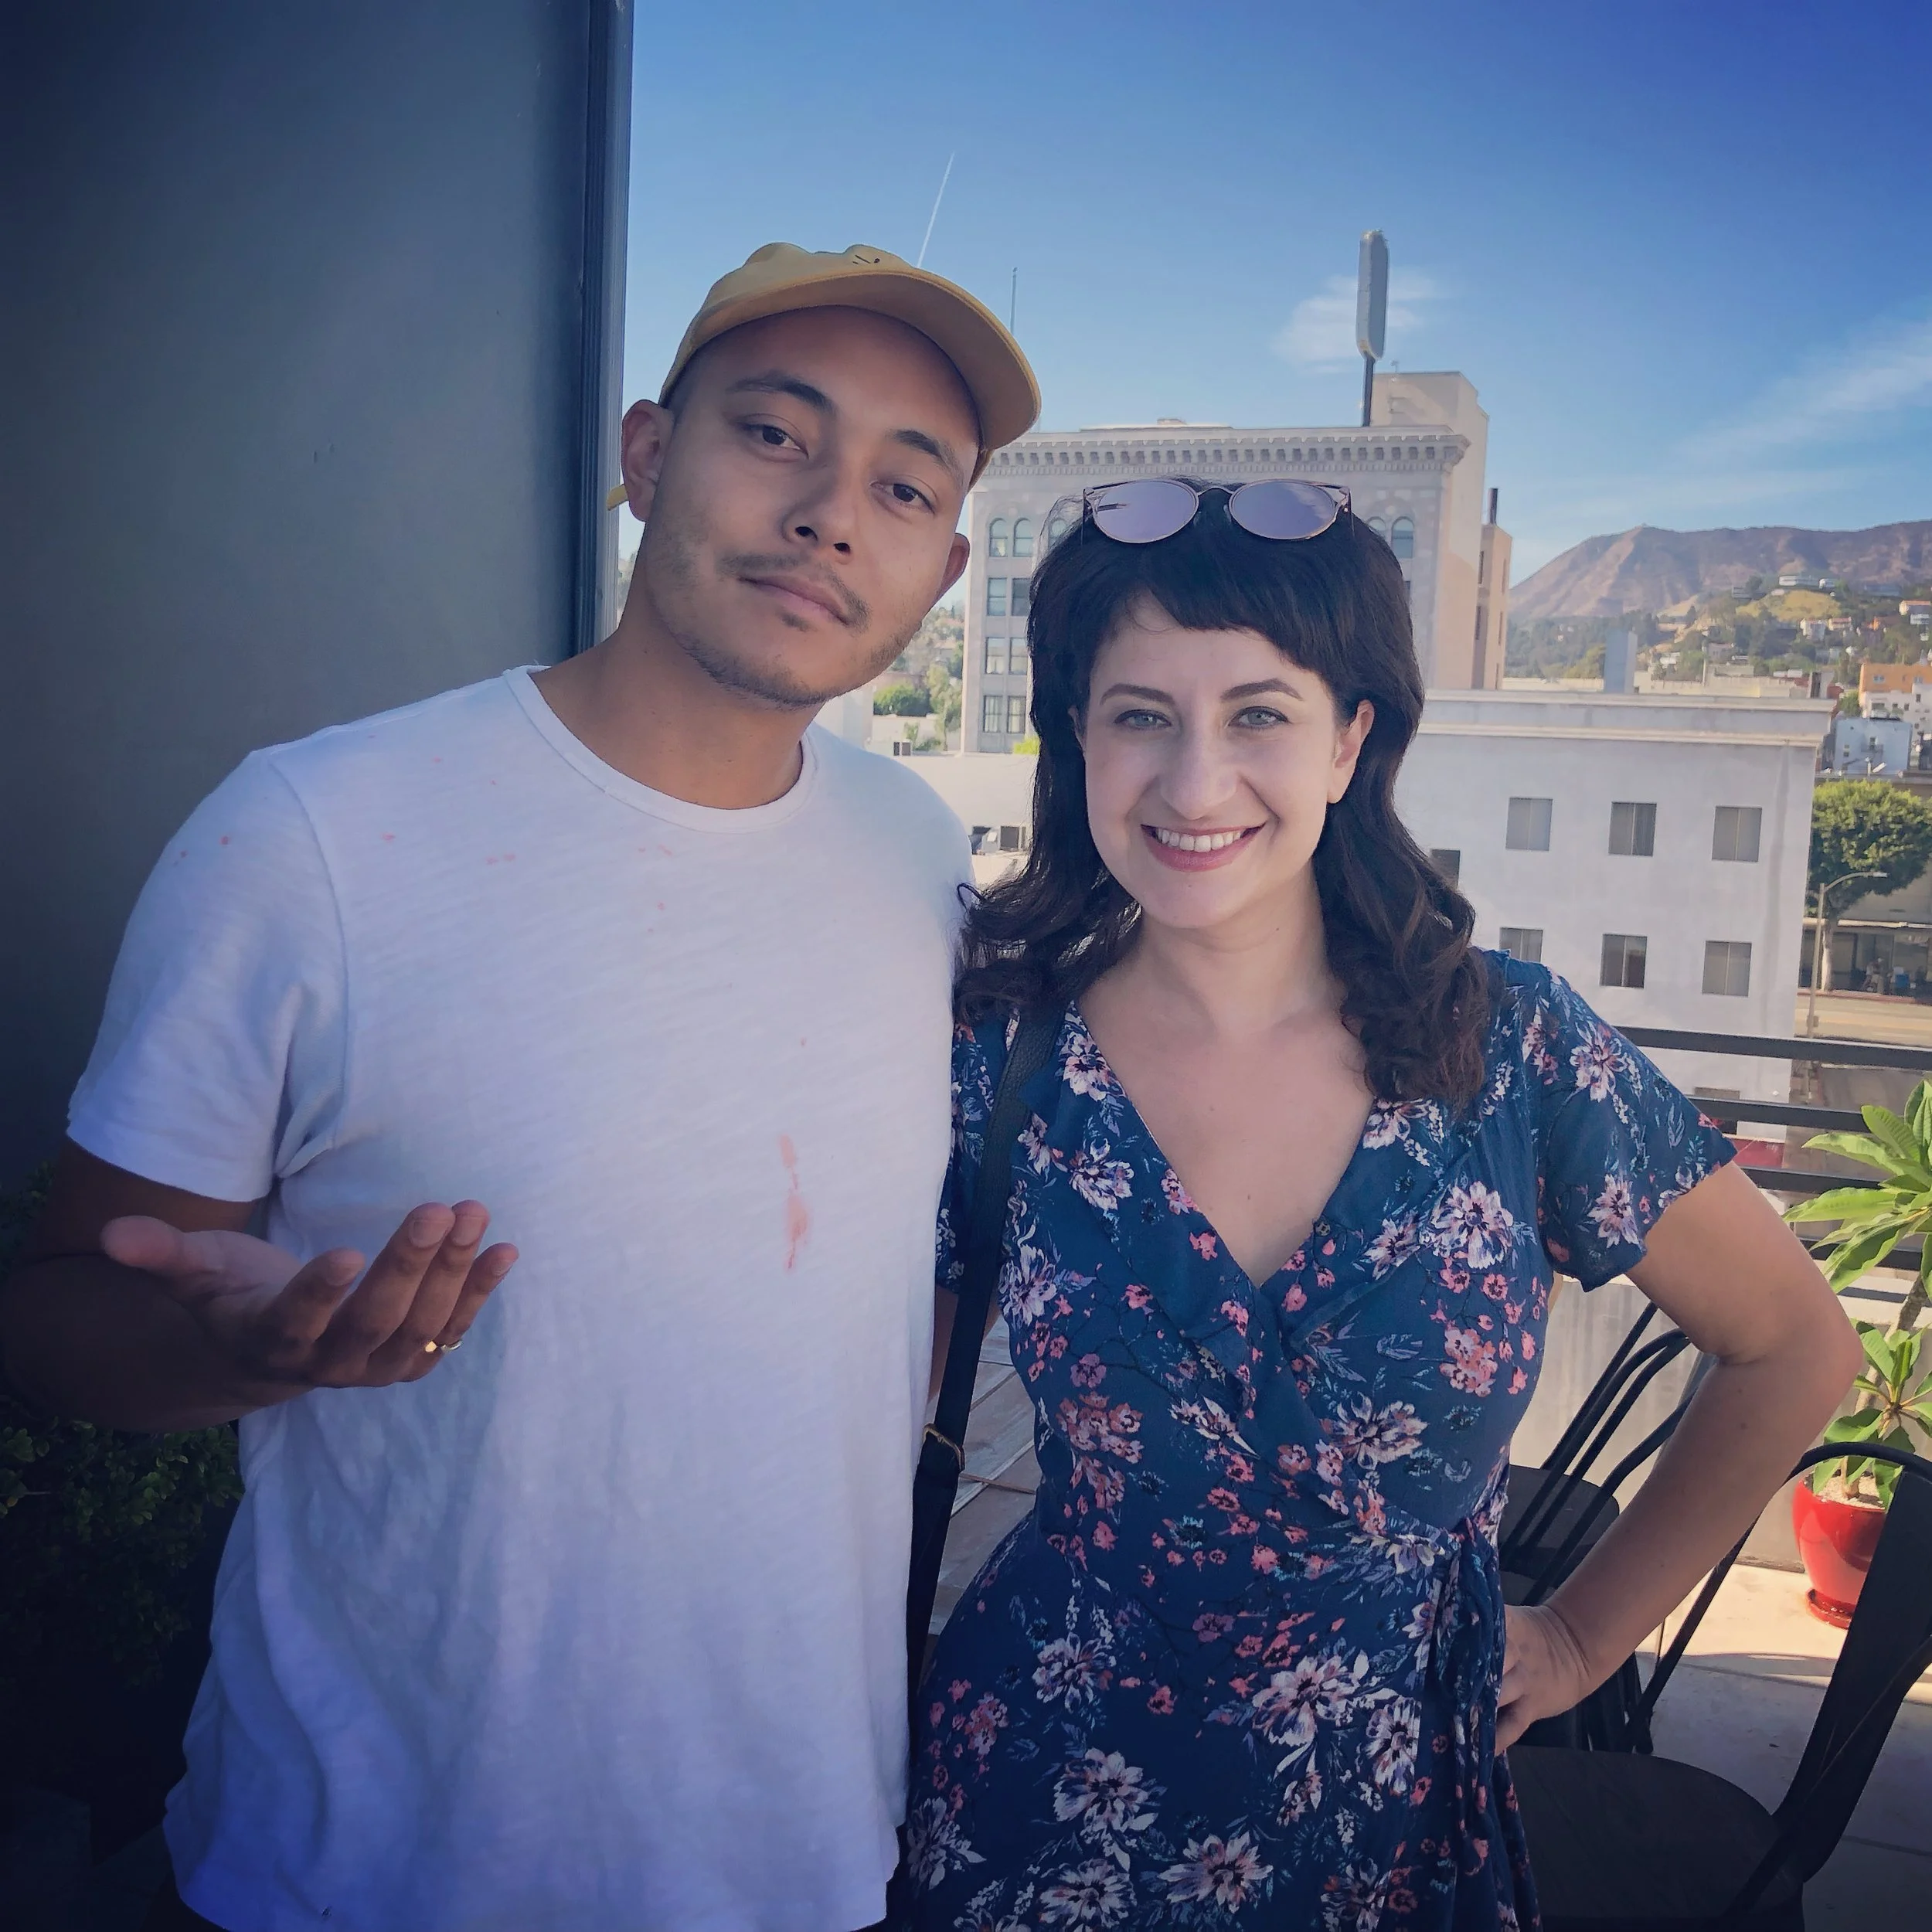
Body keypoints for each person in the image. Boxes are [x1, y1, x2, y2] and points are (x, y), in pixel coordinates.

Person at [0, 243, 1038, 1932]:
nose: (830, 517)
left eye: (903, 487)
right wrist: (244, 1353)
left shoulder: (913, 849)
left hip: (797, 1852)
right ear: (646, 453)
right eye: (775, 435)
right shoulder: (312, 834)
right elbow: (53, 1320)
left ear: (945, 567)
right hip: (371, 1869)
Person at [905, 478, 1861, 1929]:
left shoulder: (1514, 1051)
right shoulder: (998, 1057)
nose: (1195, 783)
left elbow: (1795, 1345)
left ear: (1353, 740)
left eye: (1260, 714)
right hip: (1039, 1806)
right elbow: (856, 1418)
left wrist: (1585, 1636)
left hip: (1389, 1813)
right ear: (1078, 738)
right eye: (1142, 714)